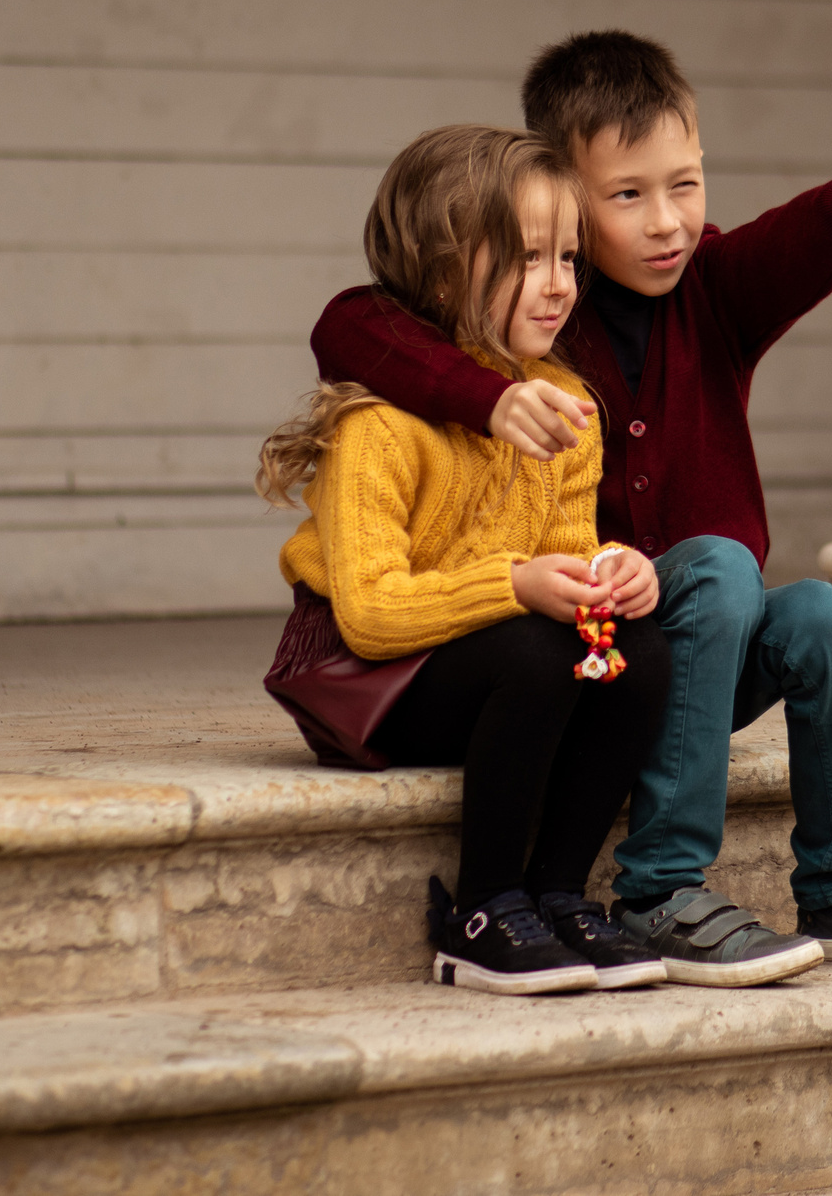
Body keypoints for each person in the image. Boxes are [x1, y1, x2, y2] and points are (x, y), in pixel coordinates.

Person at [310, 32, 832, 986]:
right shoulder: (544, 297)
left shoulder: (712, 294)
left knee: (818, 618)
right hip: (611, 641)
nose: (667, 221)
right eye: (627, 195)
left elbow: (782, 249)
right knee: (719, 564)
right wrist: (486, 397)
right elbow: (350, 319)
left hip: (676, 645)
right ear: (560, 194)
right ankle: (661, 888)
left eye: (686, 184)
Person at [257, 124, 673, 996]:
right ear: (445, 266)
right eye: (527, 257)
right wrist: (515, 586)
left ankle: (559, 894)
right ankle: (481, 912)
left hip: (498, 668)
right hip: (371, 684)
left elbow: (560, 552)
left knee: (636, 653)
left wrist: (610, 569)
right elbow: (369, 614)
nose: (559, 283)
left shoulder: (562, 401)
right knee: (535, 649)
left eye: (568, 256)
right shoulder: (379, 425)